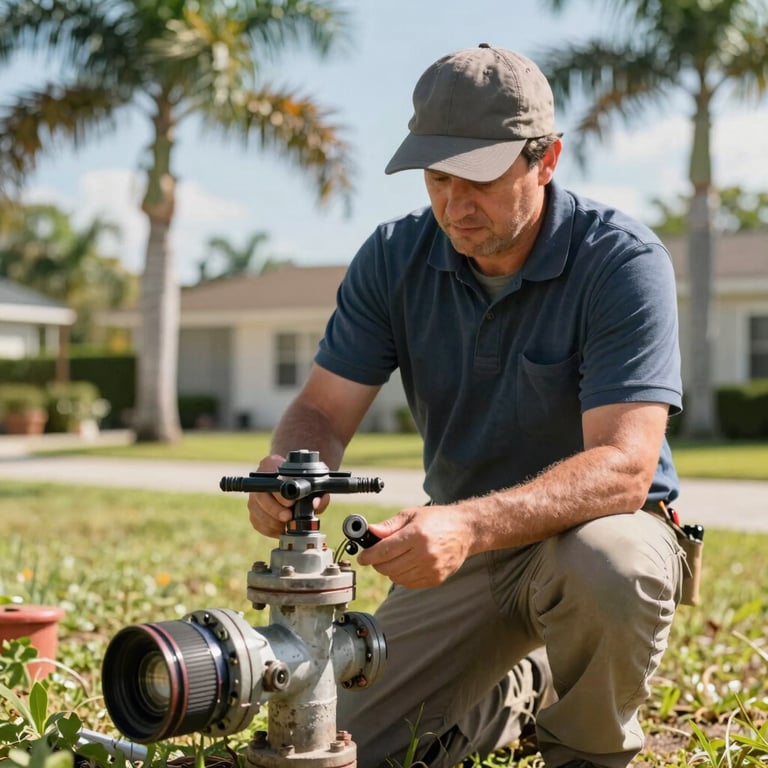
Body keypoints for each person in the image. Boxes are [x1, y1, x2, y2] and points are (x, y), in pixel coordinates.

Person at [248, 43, 685, 768]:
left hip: (596, 533)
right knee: (341, 743)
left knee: (609, 564)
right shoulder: (392, 258)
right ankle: (514, 692)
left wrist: (467, 523)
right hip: (467, 553)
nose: (455, 204)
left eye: (479, 177)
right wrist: (293, 467)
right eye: (436, 177)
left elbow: (624, 470)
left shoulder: (620, 261)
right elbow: (322, 411)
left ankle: (585, 750)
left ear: (546, 159)